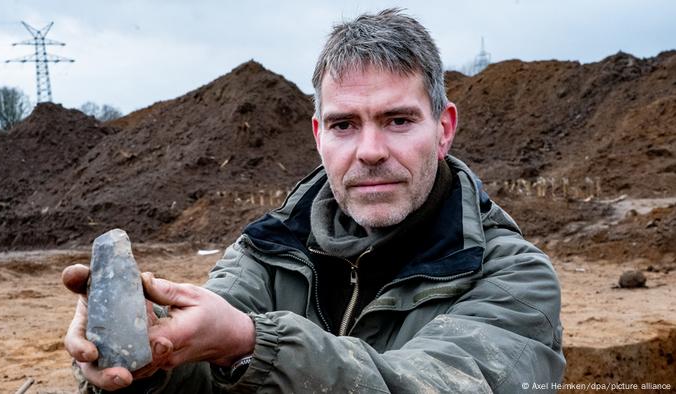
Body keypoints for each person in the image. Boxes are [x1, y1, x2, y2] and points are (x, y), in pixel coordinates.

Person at [63, 8, 565, 393]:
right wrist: (148, 355)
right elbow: (206, 381)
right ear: (318, 136)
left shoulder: (514, 278)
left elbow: (432, 383)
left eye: (398, 120)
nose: (369, 152)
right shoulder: (265, 253)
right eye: (345, 124)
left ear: (444, 129)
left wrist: (253, 343)